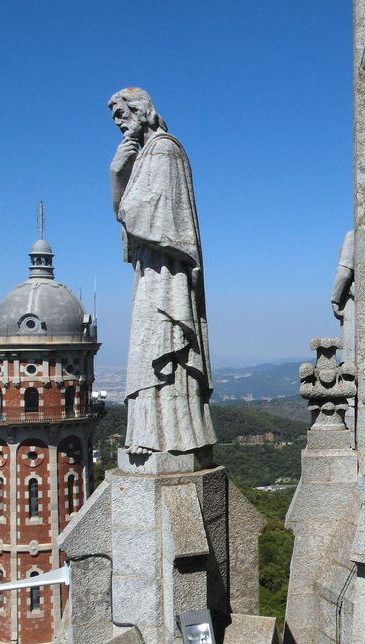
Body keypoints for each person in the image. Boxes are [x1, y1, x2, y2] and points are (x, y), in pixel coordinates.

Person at [108, 87, 217, 455]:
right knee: (149, 344)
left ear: (141, 110)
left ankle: (170, 438)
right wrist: (119, 173)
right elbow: (131, 213)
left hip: (167, 271)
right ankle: (150, 434)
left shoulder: (164, 148)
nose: (119, 124)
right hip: (151, 269)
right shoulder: (146, 155)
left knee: (161, 342)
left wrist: (116, 175)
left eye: (122, 114)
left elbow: (148, 215)